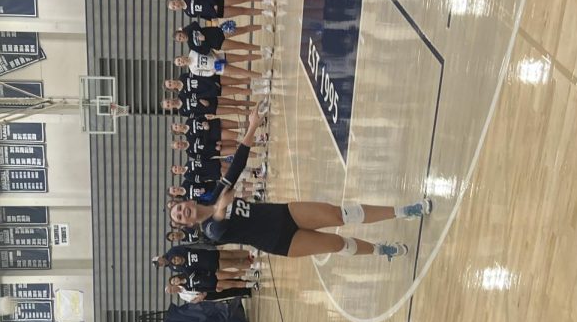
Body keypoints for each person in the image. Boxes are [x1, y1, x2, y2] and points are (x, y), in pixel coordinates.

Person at [169, 106, 433, 260]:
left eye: (180, 208)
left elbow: (236, 166)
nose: (183, 212)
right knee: (335, 244)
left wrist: (252, 127)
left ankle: (403, 211)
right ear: (189, 223)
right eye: (181, 217)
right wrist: (221, 208)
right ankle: (380, 250)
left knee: (339, 214)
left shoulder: (215, 194)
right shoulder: (210, 230)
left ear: (189, 201)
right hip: (278, 241)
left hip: (282, 213)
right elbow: (219, 221)